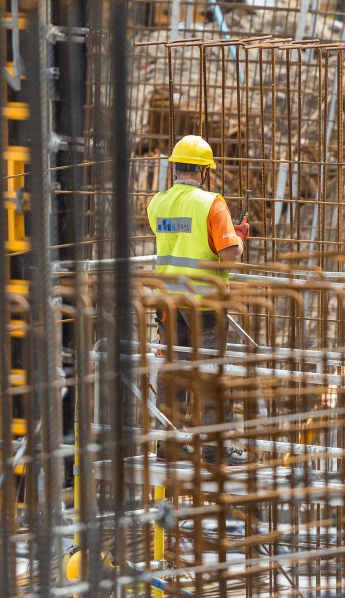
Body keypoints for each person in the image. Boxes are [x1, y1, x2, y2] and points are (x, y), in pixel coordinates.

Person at [147, 135, 250, 464]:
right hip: (204, 303)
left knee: (173, 371)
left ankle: (168, 443)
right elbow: (230, 255)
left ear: (175, 167)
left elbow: (174, 239)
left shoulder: (158, 202)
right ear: (204, 171)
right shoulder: (211, 204)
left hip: (168, 301)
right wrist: (238, 237)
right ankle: (215, 448)